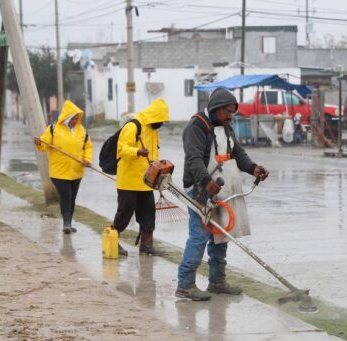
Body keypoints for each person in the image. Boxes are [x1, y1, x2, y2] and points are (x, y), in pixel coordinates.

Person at [176, 88, 269, 301]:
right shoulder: (197, 127)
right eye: (227, 112)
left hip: (221, 187)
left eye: (233, 112)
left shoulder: (226, 127)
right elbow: (194, 159)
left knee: (221, 237)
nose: (230, 116)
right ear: (215, 109)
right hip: (200, 188)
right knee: (199, 237)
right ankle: (185, 284)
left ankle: (217, 282)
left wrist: (253, 168)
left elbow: (237, 153)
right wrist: (206, 181)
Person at [112, 98, 170, 256]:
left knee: (148, 214)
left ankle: (146, 246)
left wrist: (159, 170)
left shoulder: (153, 130)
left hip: (146, 182)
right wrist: (137, 152)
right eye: (161, 120)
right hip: (128, 181)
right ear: (153, 117)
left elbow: (154, 154)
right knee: (124, 213)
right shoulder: (133, 126)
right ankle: (110, 243)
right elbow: (122, 149)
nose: (162, 124)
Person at [33, 100, 93, 234]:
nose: (75, 121)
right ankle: (66, 223)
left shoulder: (82, 130)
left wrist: (87, 160)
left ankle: (69, 222)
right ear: (67, 117)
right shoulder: (53, 129)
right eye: (73, 118)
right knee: (66, 195)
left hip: (76, 171)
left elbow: (88, 146)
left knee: (72, 197)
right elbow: (44, 145)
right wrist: (38, 143)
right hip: (59, 172)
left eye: (77, 118)